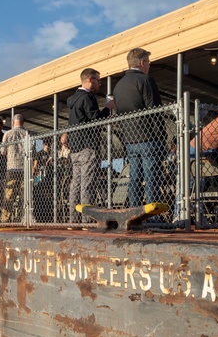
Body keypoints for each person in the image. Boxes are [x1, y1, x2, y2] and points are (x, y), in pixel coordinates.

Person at [112, 48, 164, 208]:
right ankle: (152, 215)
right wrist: (162, 135)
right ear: (142, 63)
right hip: (149, 136)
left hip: (130, 138)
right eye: (148, 62)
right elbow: (154, 109)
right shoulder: (146, 80)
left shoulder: (118, 86)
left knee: (134, 177)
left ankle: (134, 213)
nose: (149, 65)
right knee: (152, 178)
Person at [66, 68, 113, 224]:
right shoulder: (87, 97)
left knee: (76, 184)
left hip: (75, 147)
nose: (100, 84)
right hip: (88, 146)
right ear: (90, 79)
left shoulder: (74, 99)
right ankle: (87, 220)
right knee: (87, 184)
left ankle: (74, 219)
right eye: (98, 80)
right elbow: (96, 118)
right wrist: (108, 108)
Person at [0, 113, 32, 222]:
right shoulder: (27, 133)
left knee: (9, 195)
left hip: (12, 167)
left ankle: (5, 219)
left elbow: (2, 151)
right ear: (22, 122)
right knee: (25, 195)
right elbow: (32, 150)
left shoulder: (7, 134)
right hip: (24, 168)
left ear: (13, 122)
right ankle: (26, 217)